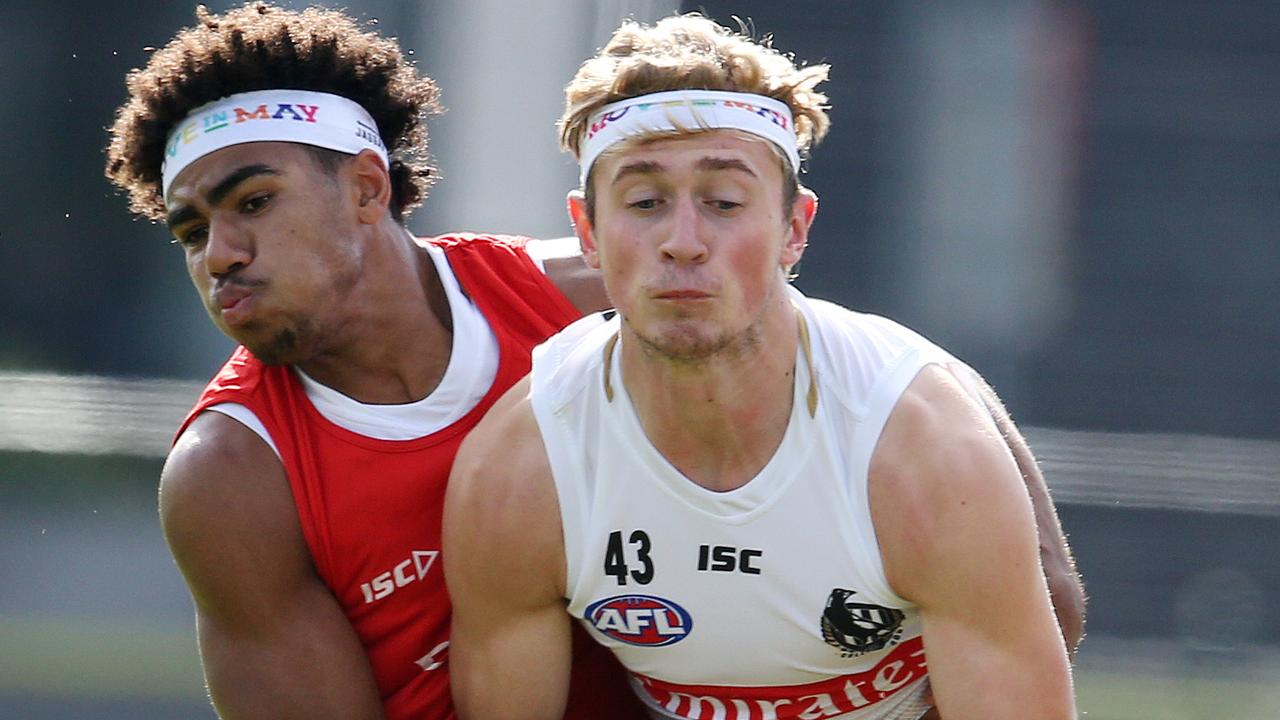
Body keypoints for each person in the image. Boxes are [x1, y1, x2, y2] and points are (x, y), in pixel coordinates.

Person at [445, 14, 1081, 720]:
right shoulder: (521, 467)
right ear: (589, 233)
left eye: (724, 202)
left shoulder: (917, 450)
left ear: (795, 229)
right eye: (645, 203)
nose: (683, 242)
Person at [104, 4, 646, 719]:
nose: (221, 255)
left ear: (366, 186)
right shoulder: (231, 474)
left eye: (255, 201)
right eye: (193, 231)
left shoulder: (597, 302)